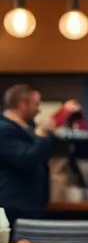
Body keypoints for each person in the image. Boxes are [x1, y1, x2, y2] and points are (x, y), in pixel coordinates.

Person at [0, 84, 53, 224]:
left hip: (31, 204)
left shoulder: (26, 128)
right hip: (14, 206)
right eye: (36, 104)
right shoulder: (4, 129)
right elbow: (25, 159)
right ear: (22, 104)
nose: (38, 109)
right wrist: (42, 137)